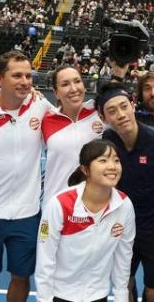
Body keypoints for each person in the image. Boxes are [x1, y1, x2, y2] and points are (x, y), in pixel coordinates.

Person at [0, 50, 52, 302]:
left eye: (28, 75)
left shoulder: (40, 106)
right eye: (17, 75)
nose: (25, 81)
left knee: (22, 276)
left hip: (26, 213)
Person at [95, 82, 154, 302]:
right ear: (104, 118)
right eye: (112, 111)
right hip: (122, 230)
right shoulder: (106, 143)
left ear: (133, 105)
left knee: (153, 292)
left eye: (124, 106)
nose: (121, 114)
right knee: (125, 285)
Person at [35, 139, 136, 302]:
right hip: (60, 295)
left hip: (98, 295)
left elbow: (123, 258)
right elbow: (45, 260)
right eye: (103, 160)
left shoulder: (124, 206)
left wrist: (121, 298)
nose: (112, 166)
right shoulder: (60, 204)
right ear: (85, 169)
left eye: (116, 160)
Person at [41, 66, 104, 206]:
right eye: (65, 84)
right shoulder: (44, 119)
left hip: (94, 207)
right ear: (55, 93)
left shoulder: (100, 113)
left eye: (77, 81)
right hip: (56, 206)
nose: (74, 88)